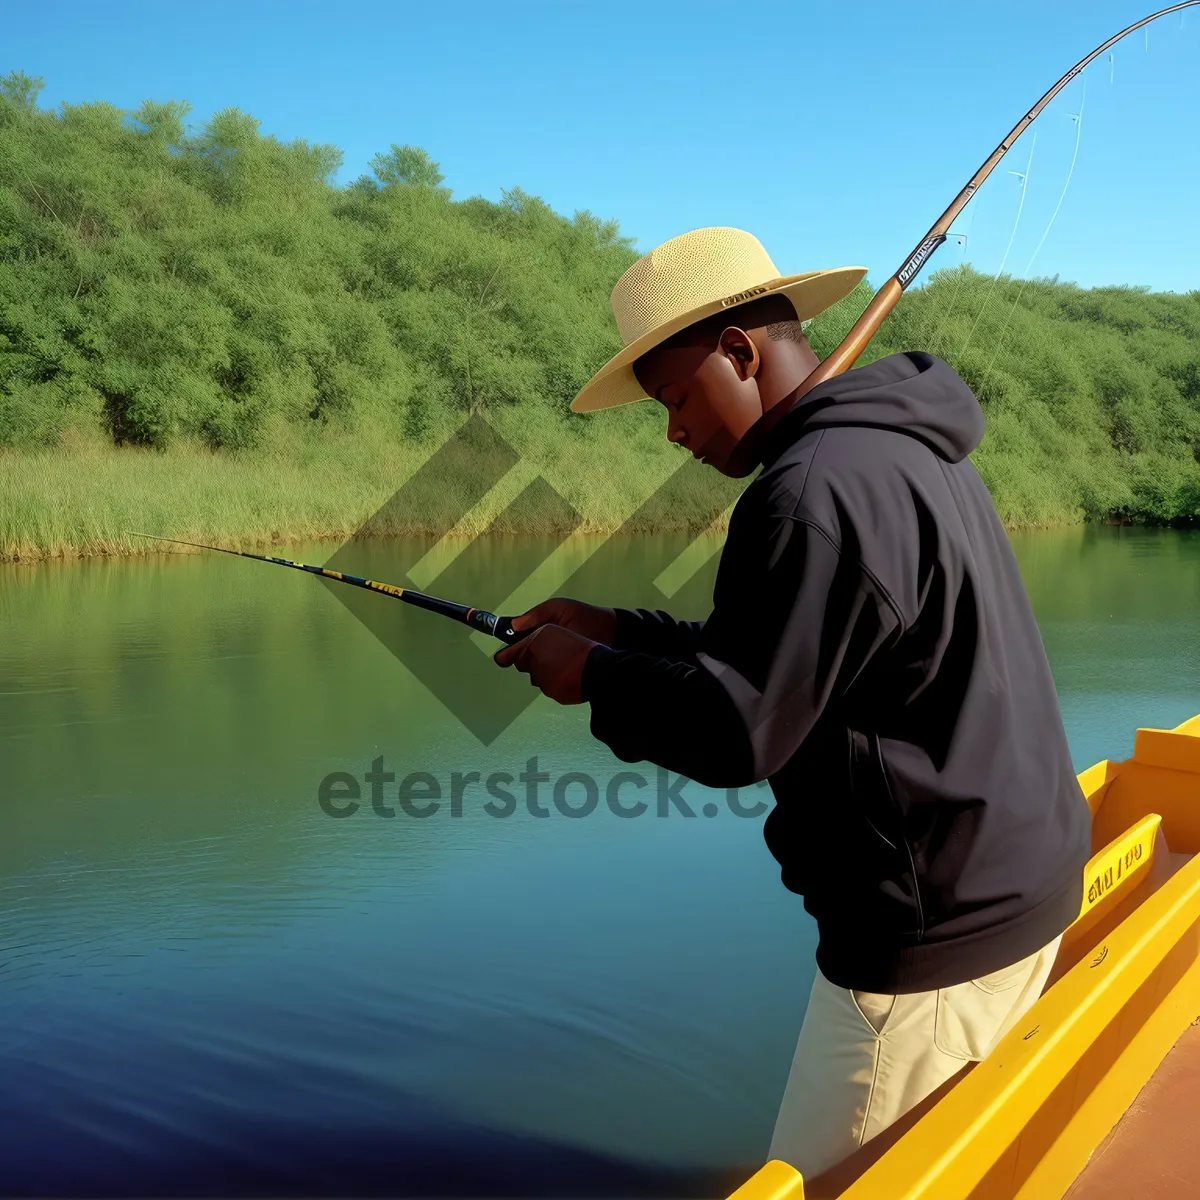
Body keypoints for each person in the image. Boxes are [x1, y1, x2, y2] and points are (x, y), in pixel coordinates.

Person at [492, 226, 1092, 1179]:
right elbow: (789, 663)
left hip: (929, 941)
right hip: (1016, 883)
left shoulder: (812, 488)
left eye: (676, 398)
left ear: (740, 352)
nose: (675, 432)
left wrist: (589, 675)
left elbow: (743, 729)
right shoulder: (898, 450)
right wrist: (616, 630)